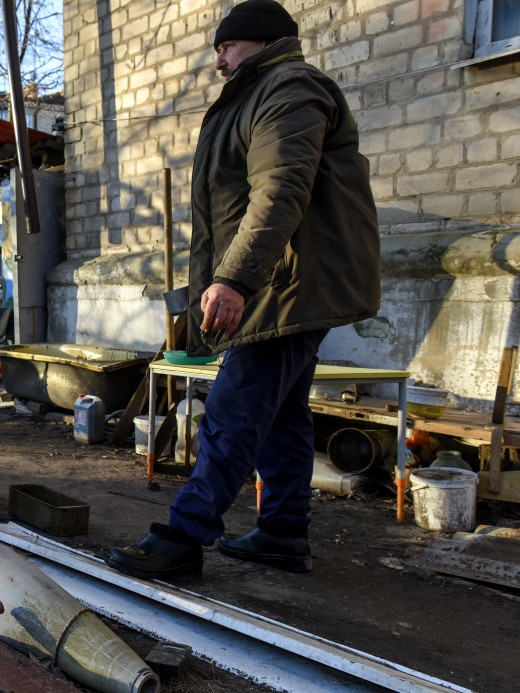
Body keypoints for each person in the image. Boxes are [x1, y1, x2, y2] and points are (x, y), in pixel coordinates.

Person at [107, 0, 381, 579]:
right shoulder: (259, 93)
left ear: (257, 42)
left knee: (234, 406)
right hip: (283, 278)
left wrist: (233, 278)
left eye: (224, 49)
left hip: (286, 282)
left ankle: (185, 535)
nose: (217, 62)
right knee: (281, 414)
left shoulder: (288, 88)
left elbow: (280, 189)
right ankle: (283, 532)